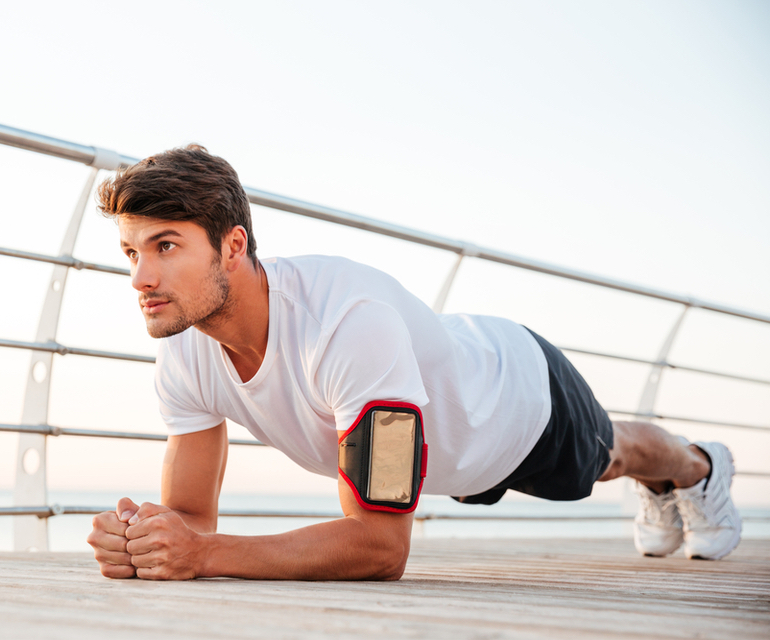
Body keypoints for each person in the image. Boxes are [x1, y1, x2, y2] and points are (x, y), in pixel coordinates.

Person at [86, 145, 742, 580]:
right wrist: (148, 541)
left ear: (233, 246)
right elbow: (192, 518)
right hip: (442, 454)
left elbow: (379, 547)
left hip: (514, 400)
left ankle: (697, 468)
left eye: (165, 246)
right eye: (130, 252)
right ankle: (671, 481)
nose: (141, 277)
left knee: (608, 459)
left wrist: (202, 555)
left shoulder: (347, 324)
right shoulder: (182, 348)